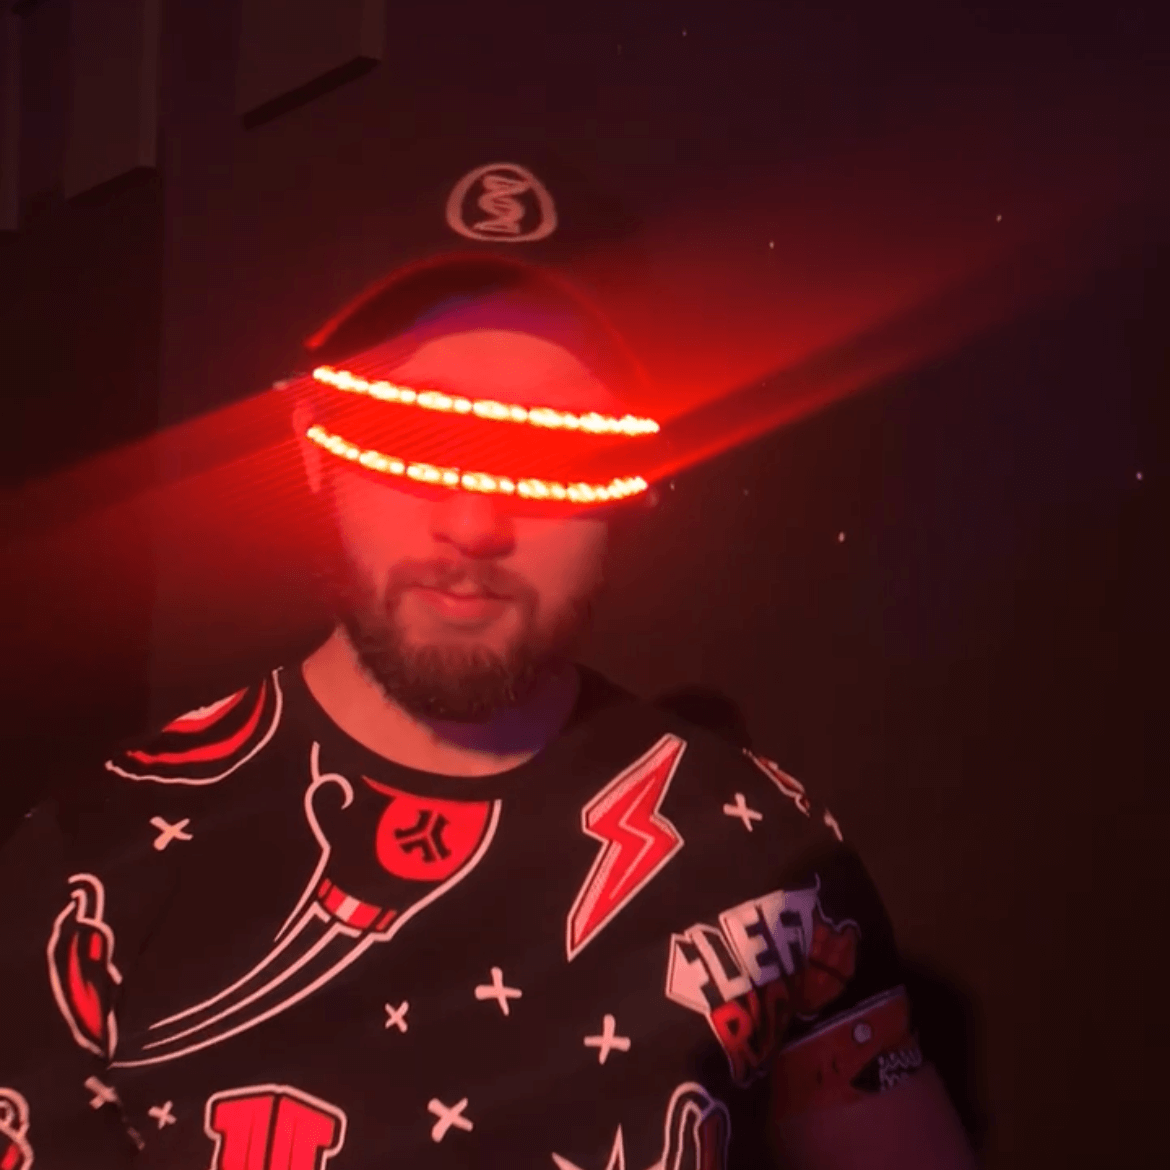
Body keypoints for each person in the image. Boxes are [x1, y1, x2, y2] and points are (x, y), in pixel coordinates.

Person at [0, 254, 977, 1169]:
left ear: (638, 486)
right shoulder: (93, 860)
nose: (472, 524)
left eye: (544, 451)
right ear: (311, 448)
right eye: (413, 436)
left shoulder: (773, 862)